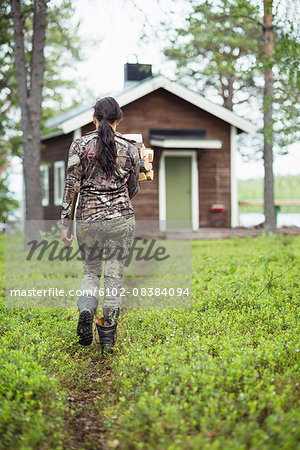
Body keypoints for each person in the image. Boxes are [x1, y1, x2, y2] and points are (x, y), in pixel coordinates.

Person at [61, 97, 140, 354]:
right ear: (118, 120)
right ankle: (107, 338)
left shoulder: (79, 146)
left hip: (88, 221)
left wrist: (65, 226)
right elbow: (132, 188)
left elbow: (71, 189)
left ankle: (86, 309)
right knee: (114, 279)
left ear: (94, 119)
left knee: (91, 273)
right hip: (120, 220)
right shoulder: (130, 149)